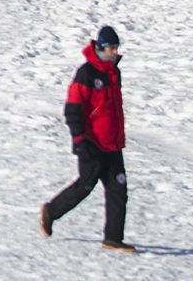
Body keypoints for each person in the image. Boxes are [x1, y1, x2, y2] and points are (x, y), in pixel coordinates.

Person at [40, 26, 134, 252]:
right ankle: (51, 211)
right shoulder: (87, 73)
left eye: (116, 48)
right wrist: (80, 140)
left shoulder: (114, 73)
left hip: (112, 144)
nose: (114, 52)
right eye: (111, 48)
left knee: (118, 189)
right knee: (85, 185)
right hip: (92, 143)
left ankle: (112, 239)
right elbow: (73, 110)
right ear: (101, 48)